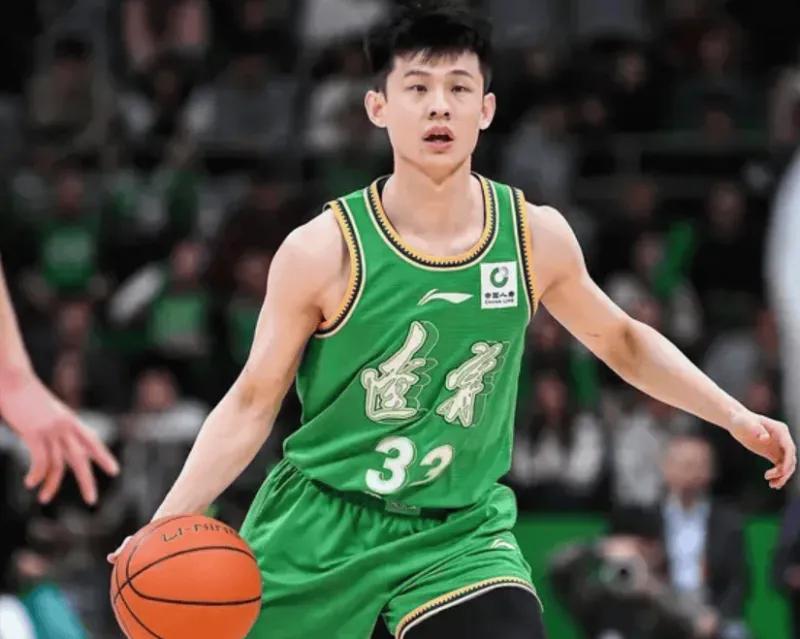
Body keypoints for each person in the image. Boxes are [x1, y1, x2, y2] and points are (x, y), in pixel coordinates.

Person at [108, 3, 796, 638]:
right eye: (417, 87)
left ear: (486, 109)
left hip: (458, 533)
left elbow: (621, 339)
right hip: (321, 525)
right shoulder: (321, 250)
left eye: (459, 87)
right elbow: (251, 403)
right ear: (378, 106)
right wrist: (165, 522)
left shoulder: (533, 236)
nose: (439, 104)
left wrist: (732, 414)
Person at [0, 260, 119, 505]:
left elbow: (115, 401)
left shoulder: (101, 356)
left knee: (96, 438)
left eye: (80, 314)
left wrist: (13, 378)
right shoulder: (39, 349)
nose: (74, 320)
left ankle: (90, 512)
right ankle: (26, 510)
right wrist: (14, 378)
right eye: (69, 314)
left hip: (87, 416)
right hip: (30, 419)